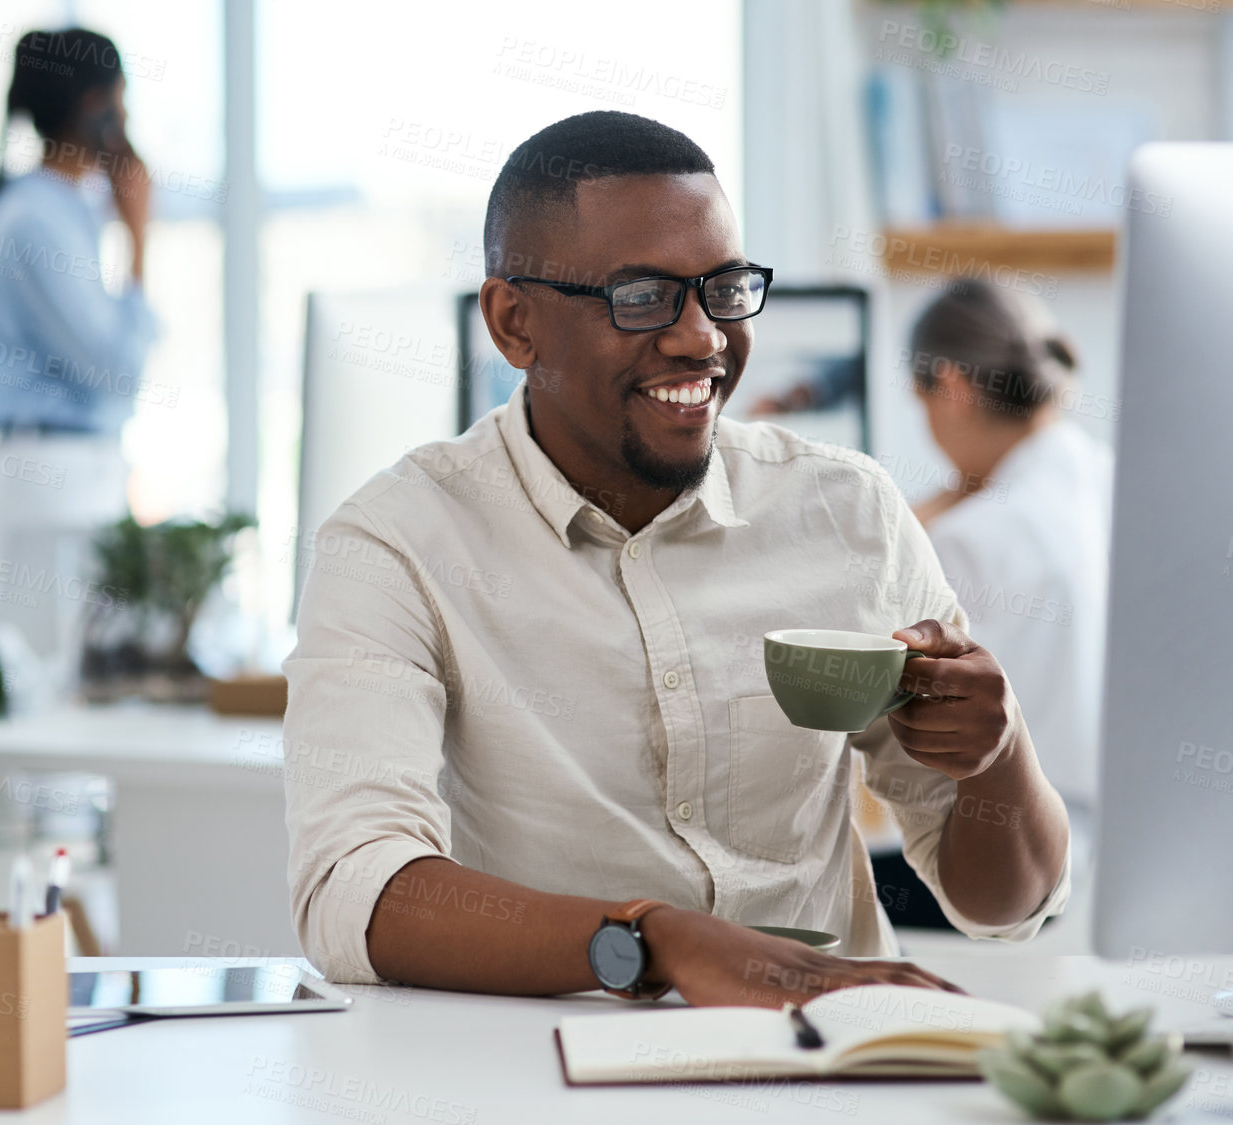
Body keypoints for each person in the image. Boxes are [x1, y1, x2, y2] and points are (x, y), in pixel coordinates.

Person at [283, 111, 1070, 1007]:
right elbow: (353, 888)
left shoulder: (848, 512)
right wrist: (650, 943)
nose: (701, 337)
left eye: (724, 289)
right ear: (513, 323)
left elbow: (1001, 907)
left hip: (830, 1065)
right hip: (542, 1073)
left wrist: (1000, 756)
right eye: (643, 296)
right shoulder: (396, 543)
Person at [0, 27, 156, 687]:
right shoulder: (37, 219)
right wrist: (140, 241)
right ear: (98, 108)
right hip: (50, 491)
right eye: (120, 107)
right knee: (54, 716)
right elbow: (114, 366)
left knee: (78, 711)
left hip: (70, 484)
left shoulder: (65, 211)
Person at [905, 280, 1112, 859]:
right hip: (1108, 842)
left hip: (1020, 853)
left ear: (949, 386)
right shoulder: (1103, 477)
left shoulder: (969, 539)